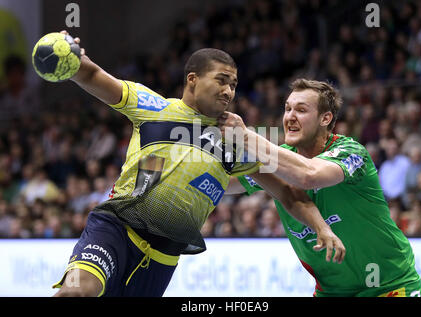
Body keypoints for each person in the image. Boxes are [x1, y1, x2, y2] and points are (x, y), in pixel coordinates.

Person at [52, 32, 345, 297]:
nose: (229, 91)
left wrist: (322, 227)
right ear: (192, 79)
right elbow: (92, 76)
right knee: (78, 292)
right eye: (221, 80)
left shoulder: (237, 142)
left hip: (163, 256)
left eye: (234, 85)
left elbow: (288, 193)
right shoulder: (154, 107)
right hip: (116, 228)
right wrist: (72, 55)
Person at [219, 78, 421, 297]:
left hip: (389, 285)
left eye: (301, 110)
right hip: (332, 292)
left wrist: (245, 136)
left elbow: (309, 174)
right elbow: (224, 184)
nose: (290, 117)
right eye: (287, 109)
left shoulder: (352, 152)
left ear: (326, 118)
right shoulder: (278, 158)